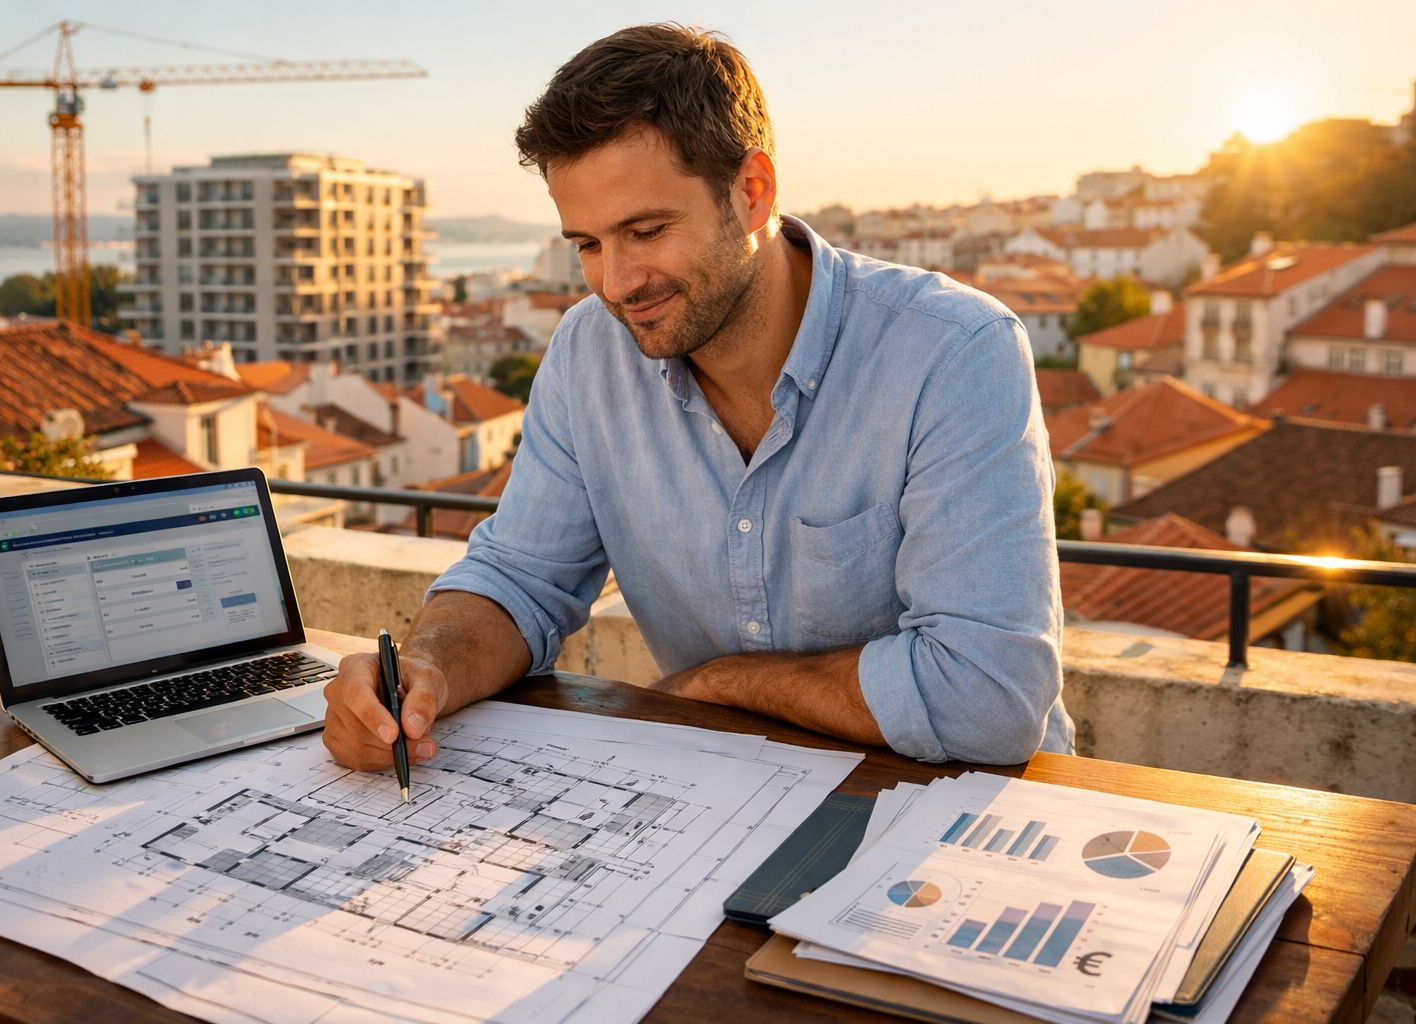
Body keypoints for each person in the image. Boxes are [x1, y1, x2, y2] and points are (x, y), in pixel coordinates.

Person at [323, 23, 1074, 773]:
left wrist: (716, 683)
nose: (616, 284)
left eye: (645, 231)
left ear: (751, 192)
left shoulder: (952, 350)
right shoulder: (589, 352)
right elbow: (521, 577)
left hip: (963, 813)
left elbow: (987, 696)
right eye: (586, 244)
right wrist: (425, 674)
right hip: (719, 796)